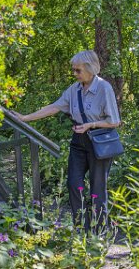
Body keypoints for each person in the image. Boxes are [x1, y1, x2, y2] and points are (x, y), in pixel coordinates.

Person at [13, 50, 121, 233]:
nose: (75, 74)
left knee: (98, 189)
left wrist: (90, 125)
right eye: (74, 70)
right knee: (73, 183)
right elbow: (55, 106)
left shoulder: (104, 88)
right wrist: (25, 118)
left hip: (99, 141)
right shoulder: (74, 89)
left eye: (78, 70)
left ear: (90, 68)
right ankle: (81, 227)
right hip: (79, 141)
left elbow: (114, 122)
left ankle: (100, 230)